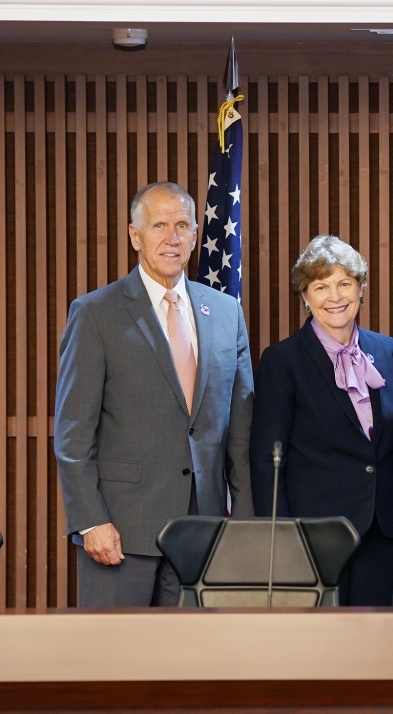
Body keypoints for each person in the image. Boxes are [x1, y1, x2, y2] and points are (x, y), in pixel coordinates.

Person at [54, 181, 254, 607]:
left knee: (196, 668)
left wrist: (247, 527)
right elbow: (73, 434)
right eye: (159, 225)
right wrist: (91, 521)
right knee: (115, 665)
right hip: (121, 534)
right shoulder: (95, 313)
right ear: (134, 235)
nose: (173, 237)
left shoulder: (224, 313)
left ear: (197, 235)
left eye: (183, 225)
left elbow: (240, 433)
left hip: (204, 535)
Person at [250, 236, 393, 606]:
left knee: (369, 648)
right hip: (312, 538)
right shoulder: (283, 361)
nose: (335, 296)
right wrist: (281, 542)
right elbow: (268, 462)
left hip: (380, 533)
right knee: (316, 653)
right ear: (306, 298)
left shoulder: (386, 350)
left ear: (361, 289)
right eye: (321, 286)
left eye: (345, 283)